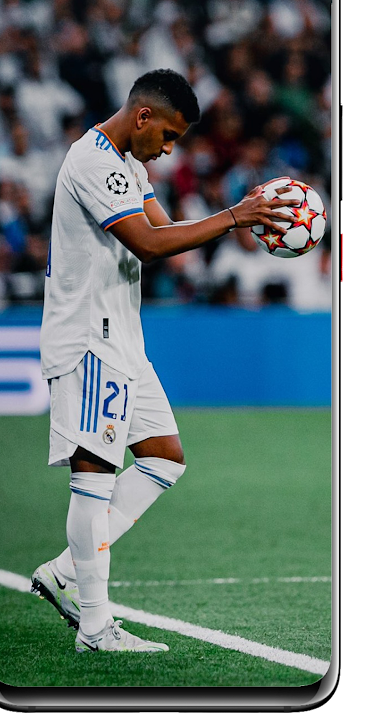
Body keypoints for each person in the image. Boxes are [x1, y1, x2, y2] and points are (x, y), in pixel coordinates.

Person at [30, 68, 298, 653]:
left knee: (163, 458)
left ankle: (66, 572)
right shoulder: (94, 162)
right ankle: (94, 627)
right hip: (89, 339)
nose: (169, 150)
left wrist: (234, 214)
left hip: (123, 337)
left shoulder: (129, 163)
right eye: (169, 136)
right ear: (143, 115)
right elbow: (149, 245)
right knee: (93, 478)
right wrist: (235, 217)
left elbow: (165, 230)